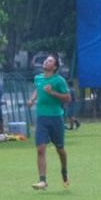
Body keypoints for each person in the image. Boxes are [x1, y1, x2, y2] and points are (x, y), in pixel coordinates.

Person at [27, 55, 71, 190]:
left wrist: (52, 92)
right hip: (42, 118)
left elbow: (67, 98)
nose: (46, 61)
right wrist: (32, 99)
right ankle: (42, 180)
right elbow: (38, 89)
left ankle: (64, 171)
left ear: (55, 67)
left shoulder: (59, 80)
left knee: (60, 150)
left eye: (50, 60)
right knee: (40, 149)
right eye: (46, 59)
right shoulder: (38, 78)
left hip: (56, 117)